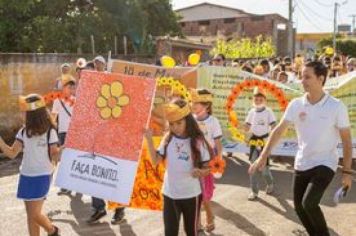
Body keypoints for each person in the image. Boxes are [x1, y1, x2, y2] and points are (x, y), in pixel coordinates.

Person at [249, 61, 353, 236]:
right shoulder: (296, 104)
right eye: (301, 76)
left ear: (321, 79)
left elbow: (347, 141)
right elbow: (278, 131)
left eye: (307, 77)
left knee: (309, 203)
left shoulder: (336, 106)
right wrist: (262, 157)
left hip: (325, 163)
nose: (302, 80)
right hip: (302, 162)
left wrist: (347, 172)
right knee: (299, 207)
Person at [144, 99, 212, 236]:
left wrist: (201, 172)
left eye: (179, 123)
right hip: (170, 194)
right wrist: (149, 140)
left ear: (188, 120)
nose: (175, 127)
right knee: (170, 232)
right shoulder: (168, 139)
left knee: (191, 231)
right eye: (172, 124)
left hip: (191, 195)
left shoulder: (198, 141)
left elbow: (208, 168)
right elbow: (156, 160)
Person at [0, 94, 61, 236]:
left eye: (24, 110)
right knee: (30, 215)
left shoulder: (50, 132)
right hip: (26, 176)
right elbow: (12, 153)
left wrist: (60, 151)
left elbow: (54, 154)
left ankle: (52, 230)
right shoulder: (24, 131)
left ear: (32, 113)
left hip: (42, 175)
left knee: (35, 214)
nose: (22, 113)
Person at [87, 55, 125, 224]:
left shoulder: (115, 86)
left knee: (114, 175)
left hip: (114, 140)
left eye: (100, 63)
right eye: (95, 63)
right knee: (94, 174)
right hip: (96, 138)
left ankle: (119, 210)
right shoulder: (91, 86)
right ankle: (99, 208)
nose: (97, 66)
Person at [191, 89, 223, 232]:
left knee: (205, 194)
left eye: (196, 103)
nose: (193, 105)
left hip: (207, 162)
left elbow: (218, 143)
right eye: (193, 102)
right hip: (193, 161)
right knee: (194, 193)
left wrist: (218, 161)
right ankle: (197, 222)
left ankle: (210, 217)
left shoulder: (213, 121)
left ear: (206, 106)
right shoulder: (190, 119)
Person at [245, 87, 276, 200]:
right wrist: (241, 128)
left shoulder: (268, 111)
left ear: (264, 100)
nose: (258, 101)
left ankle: (270, 183)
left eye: (260, 99)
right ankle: (254, 192)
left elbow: (273, 126)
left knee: (264, 169)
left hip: (264, 142)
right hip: (254, 141)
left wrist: (271, 139)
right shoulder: (251, 112)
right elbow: (247, 126)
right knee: (252, 167)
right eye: (256, 99)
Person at [51, 75, 76, 195]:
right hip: (62, 132)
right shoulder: (57, 100)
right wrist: (50, 130)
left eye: (73, 87)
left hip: (73, 132)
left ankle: (70, 185)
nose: (71, 89)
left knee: (71, 159)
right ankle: (67, 185)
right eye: (69, 86)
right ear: (64, 87)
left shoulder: (76, 101)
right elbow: (53, 117)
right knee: (65, 159)